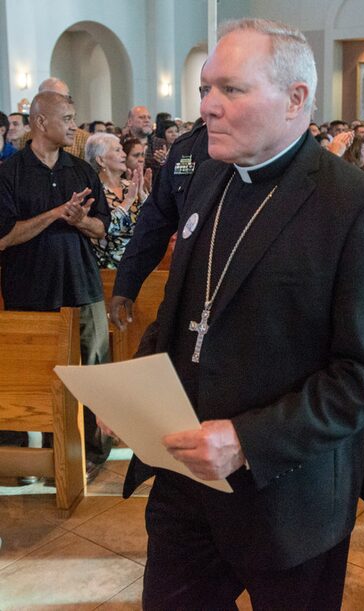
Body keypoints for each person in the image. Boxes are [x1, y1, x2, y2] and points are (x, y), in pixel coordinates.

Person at [117, 19, 364, 608]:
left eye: (231, 89)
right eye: (204, 90)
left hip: (290, 496)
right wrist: (134, 395)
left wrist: (247, 440)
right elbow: (183, 315)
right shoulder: (205, 182)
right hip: (186, 484)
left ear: (296, 98)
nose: (207, 108)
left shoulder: (356, 205)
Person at [0, 91, 112, 481]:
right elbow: (4, 237)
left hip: (83, 285)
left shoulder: (81, 171)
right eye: (66, 117)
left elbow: (102, 230)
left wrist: (80, 219)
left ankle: (94, 453)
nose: (73, 125)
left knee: (96, 371)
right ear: (41, 123)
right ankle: (39, 459)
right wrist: (54, 214)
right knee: (39, 378)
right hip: (30, 293)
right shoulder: (9, 174)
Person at [110, 121, 209, 326]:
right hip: (190, 284)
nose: (209, 102)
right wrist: (127, 284)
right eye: (204, 91)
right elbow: (155, 222)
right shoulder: (186, 148)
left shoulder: (256, 145)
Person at [85, 133, 145, 269]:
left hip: (140, 264)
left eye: (122, 150)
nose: (124, 155)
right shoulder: (93, 191)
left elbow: (150, 223)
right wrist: (127, 202)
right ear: (100, 160)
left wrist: (143, 196)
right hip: (108, 268)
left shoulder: (130, 186)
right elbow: (104, 229)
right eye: (117, 150)